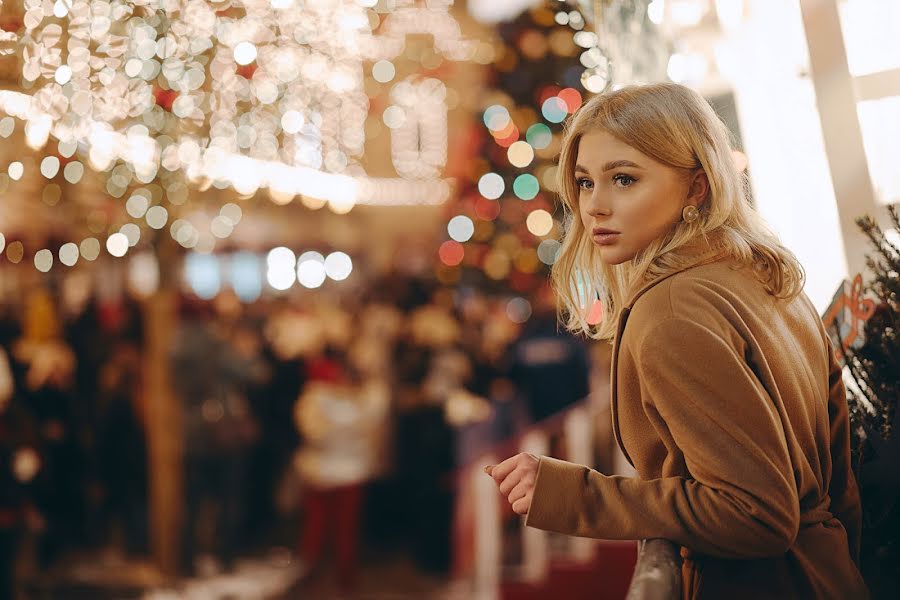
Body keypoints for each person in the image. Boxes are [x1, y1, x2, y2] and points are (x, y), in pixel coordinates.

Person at [485, 82, 868, 599]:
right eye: (584, 182)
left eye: (623, 178)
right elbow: (842, 485)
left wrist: (576, 495)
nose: (594, 206)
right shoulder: (767, 278)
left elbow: (755, 514)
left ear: (697, 187)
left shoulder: (670, 313)